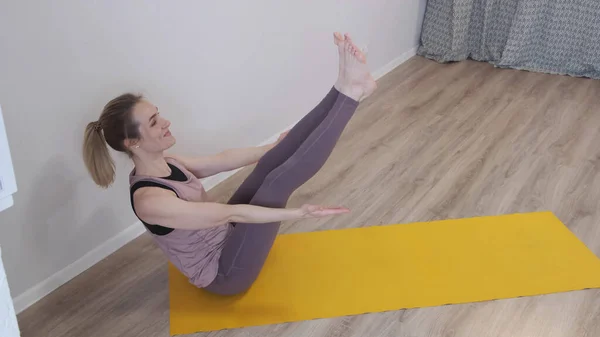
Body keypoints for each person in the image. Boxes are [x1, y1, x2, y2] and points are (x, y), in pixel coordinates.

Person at [82, 32, 377, 295]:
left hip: (227, 235)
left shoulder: (167, 162)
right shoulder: (149, 200)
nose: (166, 122)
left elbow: (220, 160)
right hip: (224, 273)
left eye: (159, 115)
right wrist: (296, 213)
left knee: (270, 162)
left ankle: (343, 86)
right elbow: (229, 213)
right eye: (154, 122)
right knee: (276, 182)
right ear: (132, 142)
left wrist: (273, 148)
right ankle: (352, 94)